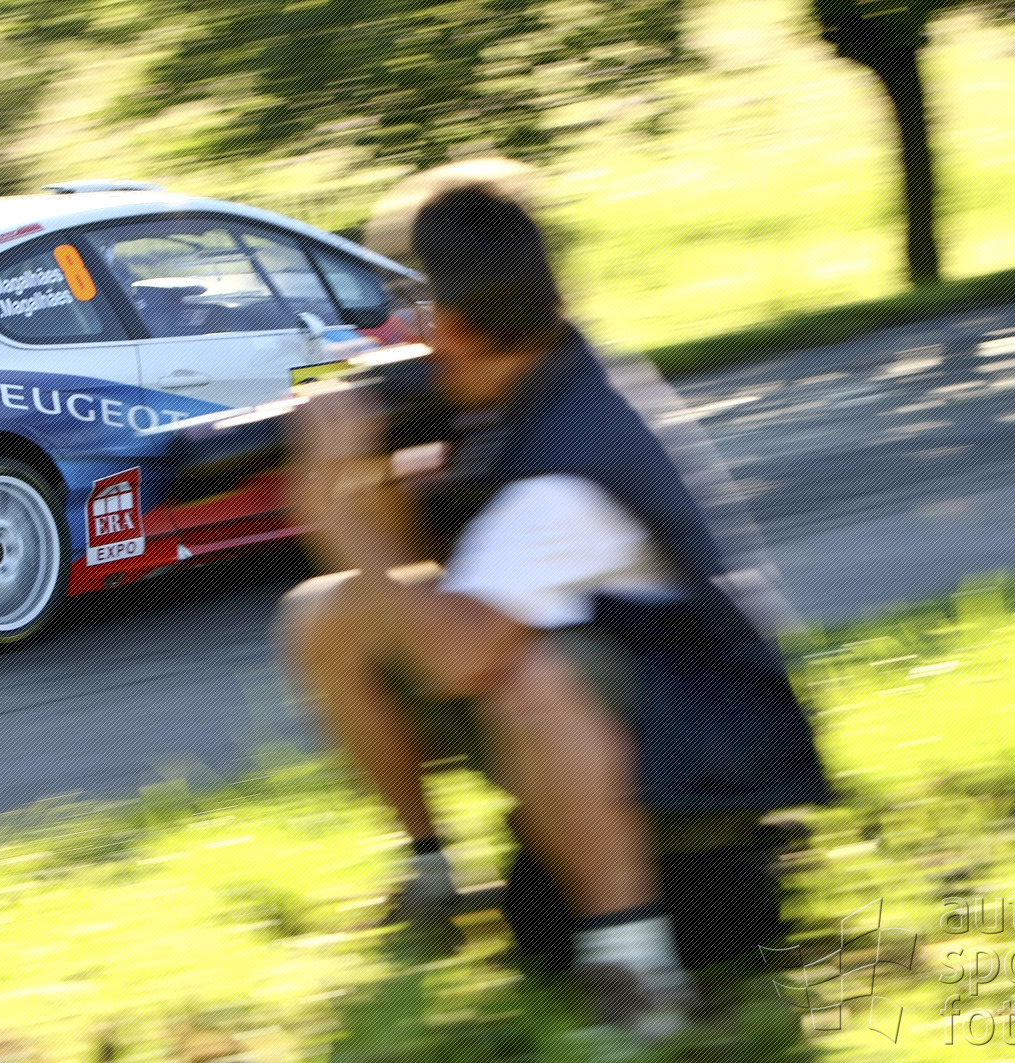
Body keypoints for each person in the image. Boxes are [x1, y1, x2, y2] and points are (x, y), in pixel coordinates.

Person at [278, 170, 828, 1044]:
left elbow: (458, 653)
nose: (399, 336)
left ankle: (639, 979)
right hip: (630, 752)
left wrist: (329, 511)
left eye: (407, 312)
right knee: (329, 616)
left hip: (703, 792)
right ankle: (430, 874)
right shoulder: (523, 383)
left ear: (454, 323)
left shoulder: (571, 456)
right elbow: (424, 574)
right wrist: (372, 476)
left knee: (525, 668)